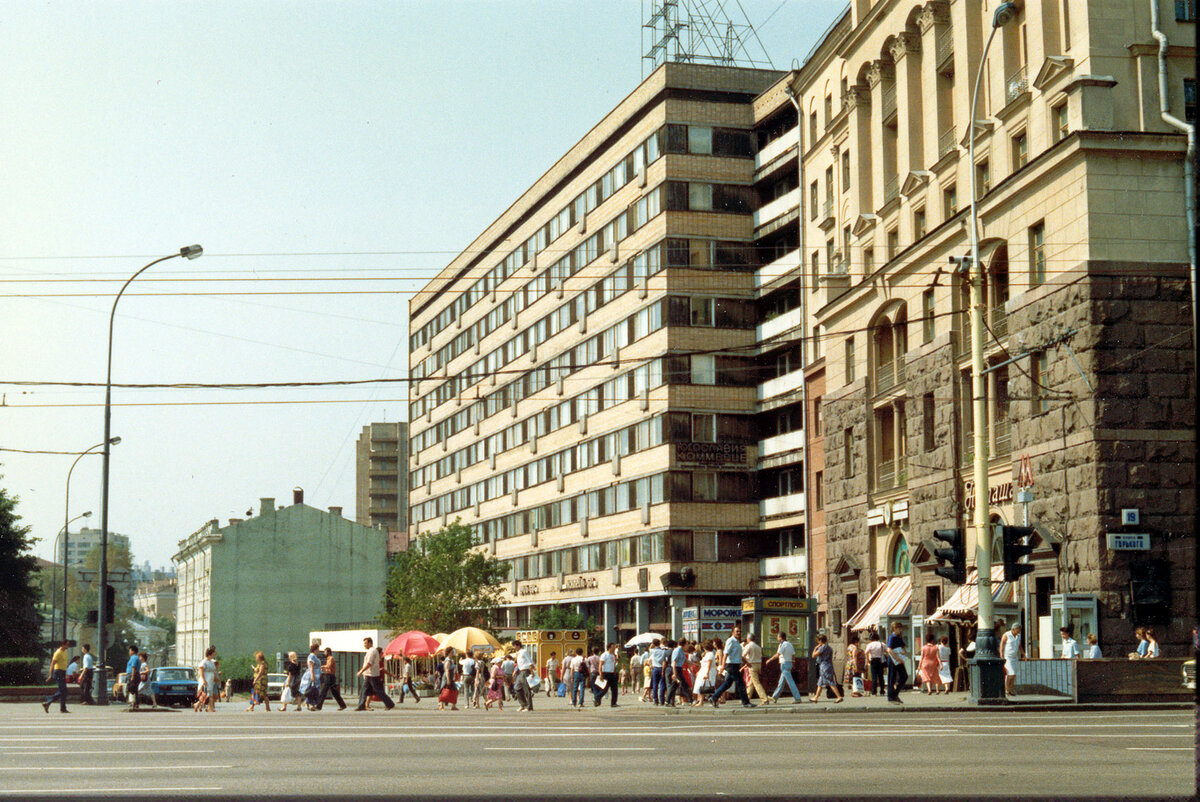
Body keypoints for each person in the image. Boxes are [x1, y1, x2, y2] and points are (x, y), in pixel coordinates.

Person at [710, 623, 753, 708]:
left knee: (727, 684)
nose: (739, 633)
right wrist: (722, 665)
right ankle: (746, 702)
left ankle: (714, 697)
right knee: (741, 683)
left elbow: (738, 655)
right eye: (737, 631)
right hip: (731, 665)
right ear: (733, 632)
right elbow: (725, 654)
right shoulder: (730, 641)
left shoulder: (737, 642)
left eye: (740, 631)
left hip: (735, 665)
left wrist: (746, 662)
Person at [355, 637, 394, 711]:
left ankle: (390, 704)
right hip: (369, 674)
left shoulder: (372, 651)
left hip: (372, 674)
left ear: (370, 643)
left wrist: (361, 671)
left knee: (378, 690)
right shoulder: (370, 651)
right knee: (364, 690)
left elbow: (369, 663)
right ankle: (361, 705)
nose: (364, 645)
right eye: (364, 643)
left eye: (366, 643)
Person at [765, 632, 801, 703]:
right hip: (789, 663)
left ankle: (797, 698)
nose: (777, 638)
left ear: (780, 637)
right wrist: (792, 663)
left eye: (777, 637)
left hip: (784, 664)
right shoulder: (790, 644)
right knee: (781, 682)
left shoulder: (783, 644)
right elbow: (793, 655)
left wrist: (769, 660)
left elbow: (778, 654)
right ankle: (775, 697)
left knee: (790, 682)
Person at [809, 634, 843, 703]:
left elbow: (813, 655)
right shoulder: (829, 648)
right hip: (829, 666)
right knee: (820, 683)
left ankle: (839, 696)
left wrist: (816, 648)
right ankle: (816, 697)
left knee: (830, 682)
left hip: (824, 667)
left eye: (818, 641)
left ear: (820, 641)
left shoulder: (822, 648)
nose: (818, 643)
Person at [41, 639, 71, 714]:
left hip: (63, 672)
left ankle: (61, 707)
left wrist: (66, 666)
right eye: (67, 644)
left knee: (63, 691)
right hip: (58, 672)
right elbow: (52, 664)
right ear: (62, 645)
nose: (68, 646)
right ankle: (49, 701)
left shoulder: (65, 651)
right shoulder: (57, 653)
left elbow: (63, 661)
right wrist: (50, 675)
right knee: (63, 690)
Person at [740, 634, 769, 703]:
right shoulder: (758, 647)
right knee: (751, 683)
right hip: (759, 664)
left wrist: (746, 662)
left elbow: (743, 656)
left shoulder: (749, 646)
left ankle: (765, 699)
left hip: (752, 665)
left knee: (756, 683)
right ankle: (746, 698)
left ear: (748, 639)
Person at [885, 622, 908, 704]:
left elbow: (903, 646)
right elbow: (889, 649)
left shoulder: (899, 637)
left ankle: (895, 693)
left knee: (904, 676)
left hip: (899, 660)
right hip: (893, 660)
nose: (900, 630)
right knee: (892, 677)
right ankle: (891, 697)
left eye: (900, 628)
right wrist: (897, 658)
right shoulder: (892, 637)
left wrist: (903, 651)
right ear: (894, 628)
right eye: (898, 628)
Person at [1000, 622, 1024, 697]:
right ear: (1014, 629)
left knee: (1013, 675)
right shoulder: (1006, 635)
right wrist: (1001, 655)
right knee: (1010, 673)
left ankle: (1010, 689)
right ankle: (1007, 689)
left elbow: (1019, 646)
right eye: (1018, 629)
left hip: (1015, 657)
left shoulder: (1018, 636)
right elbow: (1002, 645)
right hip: (1008, 657)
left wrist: (1023, 654)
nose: (1019, 631)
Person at [512, 640, 534, 712]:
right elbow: (519, 664)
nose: (514, 648)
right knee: (517, 688)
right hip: (520, 672)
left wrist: (531, 671)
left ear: (517, 645)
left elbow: (530, 662)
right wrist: (515, 671)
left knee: (526, 689)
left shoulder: (524, 652)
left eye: (514, 646)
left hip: (525, 671)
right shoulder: (518, 653)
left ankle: (529, 706)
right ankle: (523, 704)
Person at [864, 630, 885, 695]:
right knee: (881, 676)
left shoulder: (870, 645)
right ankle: (882, 690)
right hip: (880, 660)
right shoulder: (882, 644)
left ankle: (874, 691)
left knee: (874, 676)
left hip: (873, 660)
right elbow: (887, 651)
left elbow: (866, 652)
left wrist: (868, 659)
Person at [648, 639, 667, 706]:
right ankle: (662, 700)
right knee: (662, 685)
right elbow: (664, 661)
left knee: (655, 685)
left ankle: (655, 700)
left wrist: (652, 644)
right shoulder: (663, 651)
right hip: (661, 667)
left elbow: (650, 648)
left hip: (655, 668)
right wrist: (663, 670)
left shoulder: (653, 651)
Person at [843, 632, 863, 697]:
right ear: (856, 641)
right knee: (855, 677)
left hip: (849, 663)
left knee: (852, 678)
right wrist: (856, 666)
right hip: (853, 663)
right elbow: (854, 656)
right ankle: (854, 692)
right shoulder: (854, 648)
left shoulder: (849, 647)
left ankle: (855, 691)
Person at [200, 646, 219, 712]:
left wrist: (216, 678)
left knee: (210, 694)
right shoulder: (204, 662)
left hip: (211, 680)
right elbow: (201, 672)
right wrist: (204, 680)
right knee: (208, 694)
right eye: (213, 654)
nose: (214, 655)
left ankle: (209, 708)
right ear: (210, 654)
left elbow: (214, 671)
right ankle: (211, 708)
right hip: (206, 679)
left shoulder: (211, 662)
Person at [124, 644, 142, 710]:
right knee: (134, 689)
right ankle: (135, 703)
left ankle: (133, 702)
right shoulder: (135, 657)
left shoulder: (134, 657)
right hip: (134, 674)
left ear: (133, 651)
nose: (129, 652)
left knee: (130, 688)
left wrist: (132, 676)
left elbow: (133, 667)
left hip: (133, 674)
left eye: (130, 651)